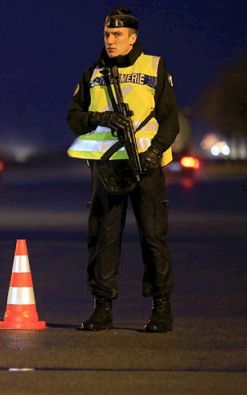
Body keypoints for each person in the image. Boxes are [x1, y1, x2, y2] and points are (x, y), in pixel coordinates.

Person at [67, 7, 179, 333]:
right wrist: (99, 118)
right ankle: (102, 308)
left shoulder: (154, 67)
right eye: (107, 34)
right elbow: (74, 117)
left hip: (146, 166)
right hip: (107, 167)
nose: (110, 40)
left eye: (117, 35)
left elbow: (170, 119)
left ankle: (161, 308)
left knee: (153, 237)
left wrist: (155, 152)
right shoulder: (92, 74)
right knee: (103, 238)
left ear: (132, 38)